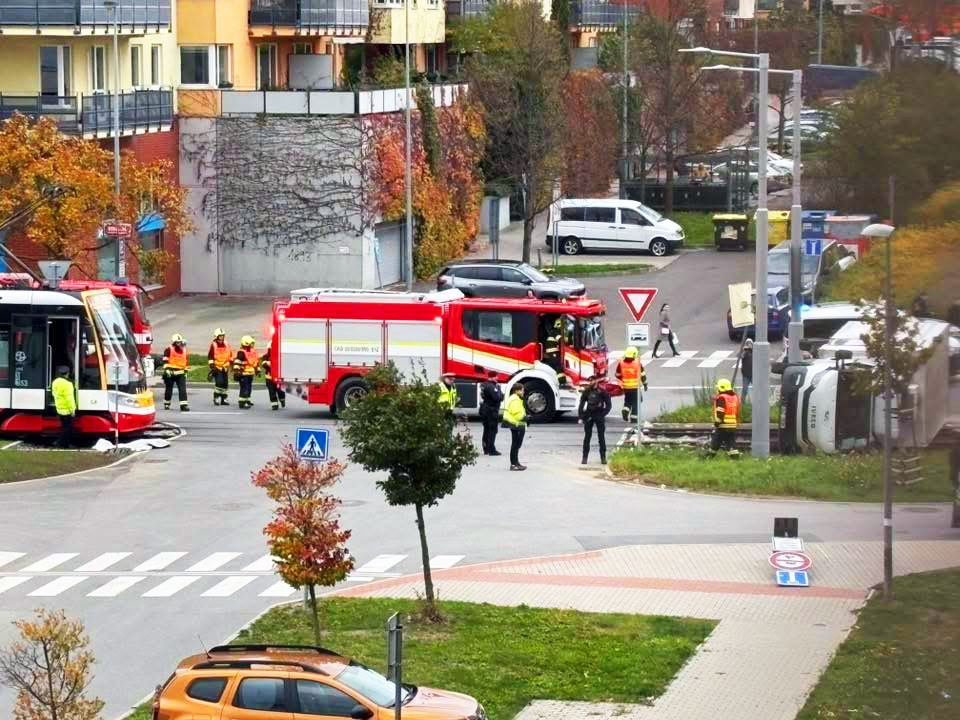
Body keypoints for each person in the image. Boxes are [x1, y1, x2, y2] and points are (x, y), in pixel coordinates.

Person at [578, 375, 612, 465]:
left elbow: (608, 405)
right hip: (589, 415)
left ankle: (603, 457)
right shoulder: (587, 391)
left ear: (596, 381)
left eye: (592, 381)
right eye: (590, 381)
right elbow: (581, 404)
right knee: (587, 437)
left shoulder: (602, 392)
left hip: (599, 414)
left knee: (601, 437)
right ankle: (584, 457)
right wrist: (581, 416)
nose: (591, 383)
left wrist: (603, 414)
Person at [615, 346, 648, 421]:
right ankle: (634, 418)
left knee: (628, 400)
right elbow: (642, 375)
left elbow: (617, 375)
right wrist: (645, 384)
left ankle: (625, 411)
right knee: (637, 401)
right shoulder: (637, 363)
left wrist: (624, 379)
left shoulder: (621, 363)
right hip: (635, 387)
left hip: (626, 387)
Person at [711, 378, 740, 455]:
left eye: (718, 388)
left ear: (721, 388)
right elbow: (737, 411)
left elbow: (720, 412)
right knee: (730, 442)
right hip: (732, 425)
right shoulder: (734, 397)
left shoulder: (722, 398)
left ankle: (708, 456)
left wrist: (717, 422)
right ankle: (735, 457)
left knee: (716, 441)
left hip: (723, 425)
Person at [161, 334, 190, 412]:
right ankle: (167, 403)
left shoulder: (184, 350)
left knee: (182, 389)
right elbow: (165, 360)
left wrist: (186, 371)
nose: (179, 344)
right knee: (169, 389)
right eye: (177, 342)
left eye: (180, 342)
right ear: (174, 342)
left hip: (181, 373)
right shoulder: (169, 349)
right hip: (170, 373)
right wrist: (167, 369)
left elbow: (186, 362)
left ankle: (184, 405)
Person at [502, 384, 527, 471]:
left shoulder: (516, 399)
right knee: (515, 445)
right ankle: (513, 464)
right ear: (517, 391)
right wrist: (526, 418)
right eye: (522, 390)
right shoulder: (515, 400)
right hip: (516, 424)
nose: (523, 392)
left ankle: (516, 463)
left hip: (517, 424)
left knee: (516, 445)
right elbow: (517, 414)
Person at [51, 365, 76, 449]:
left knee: (64, 427)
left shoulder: (55, 382)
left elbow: (53, 393)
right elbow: (70, 398)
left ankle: (63, 443)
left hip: (59, 408)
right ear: (68, 373)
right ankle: (60, 442)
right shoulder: (68, 384)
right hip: (67, 410)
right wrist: (72, 410)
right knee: (68, 428)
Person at [479, 369, 503, 456]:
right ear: (492, 377)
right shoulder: (492, 386)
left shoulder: (485, 385)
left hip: (485, 410)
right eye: (496, 376)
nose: (497, 378)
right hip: (491, 411)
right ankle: (491, 450)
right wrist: (499, 390)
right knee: (492, 430)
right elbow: (498, 398)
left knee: (486, 430)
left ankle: (486, 449)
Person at [232, 335, 260, 409]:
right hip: (243, 374)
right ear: (246, 343)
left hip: (250, 374)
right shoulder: (241, 352)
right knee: (244, 388)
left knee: (249, 388)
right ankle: (242, 403)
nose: (253, 345)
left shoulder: (252, 351)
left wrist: (258, 370)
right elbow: (237, 362)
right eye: (251, 343)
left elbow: (255, 362)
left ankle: (247, 400)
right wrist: (237, 371)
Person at [207, 328, 233, 406]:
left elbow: (230, 354)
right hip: (217, 367)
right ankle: (216, 398)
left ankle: (224, 399)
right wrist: (212, 366)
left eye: (223, 336)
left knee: (225, 384)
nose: (222, 337)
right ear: (216, 336)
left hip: (225, 367)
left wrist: (231, 363)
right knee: (219, 383)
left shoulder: (226, 344)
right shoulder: (213, 345)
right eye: (220, 336)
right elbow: (210, 356)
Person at [260, 343, 285, 411]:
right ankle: (274, 404)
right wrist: (270, 363)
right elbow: (264, 364)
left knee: (280, 391)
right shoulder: (266, 356)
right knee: (271, 391)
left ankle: (282, 400)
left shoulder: (280, 355)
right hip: (269, 377)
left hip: (278, 378)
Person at [740, 338, 754, 404]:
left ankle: (758, 401)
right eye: (747, 344)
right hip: (746, 375)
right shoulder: (745, 352)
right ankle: (742, 403)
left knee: (757, 389)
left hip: (754, 375)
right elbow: (741, 356)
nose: (749, 345)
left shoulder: (755, 351)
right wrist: (744, 350)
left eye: (750, 343)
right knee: (745, 389)